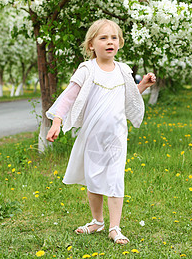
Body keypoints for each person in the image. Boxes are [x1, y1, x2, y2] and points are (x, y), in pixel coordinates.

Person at [45, 19, 156, 245]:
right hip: (92, 137)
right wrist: (57, 121)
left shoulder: (124, 71)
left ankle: (115, 227)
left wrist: (143, 85)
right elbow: (69, 97)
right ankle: (97, 221)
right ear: (91, 45)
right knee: (94, 179)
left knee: (115, 179)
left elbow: (128, 98)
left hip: (116, 137)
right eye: (103, 38)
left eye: (114, 38)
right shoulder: (87, 69)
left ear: (120, 43)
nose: (109, 42)